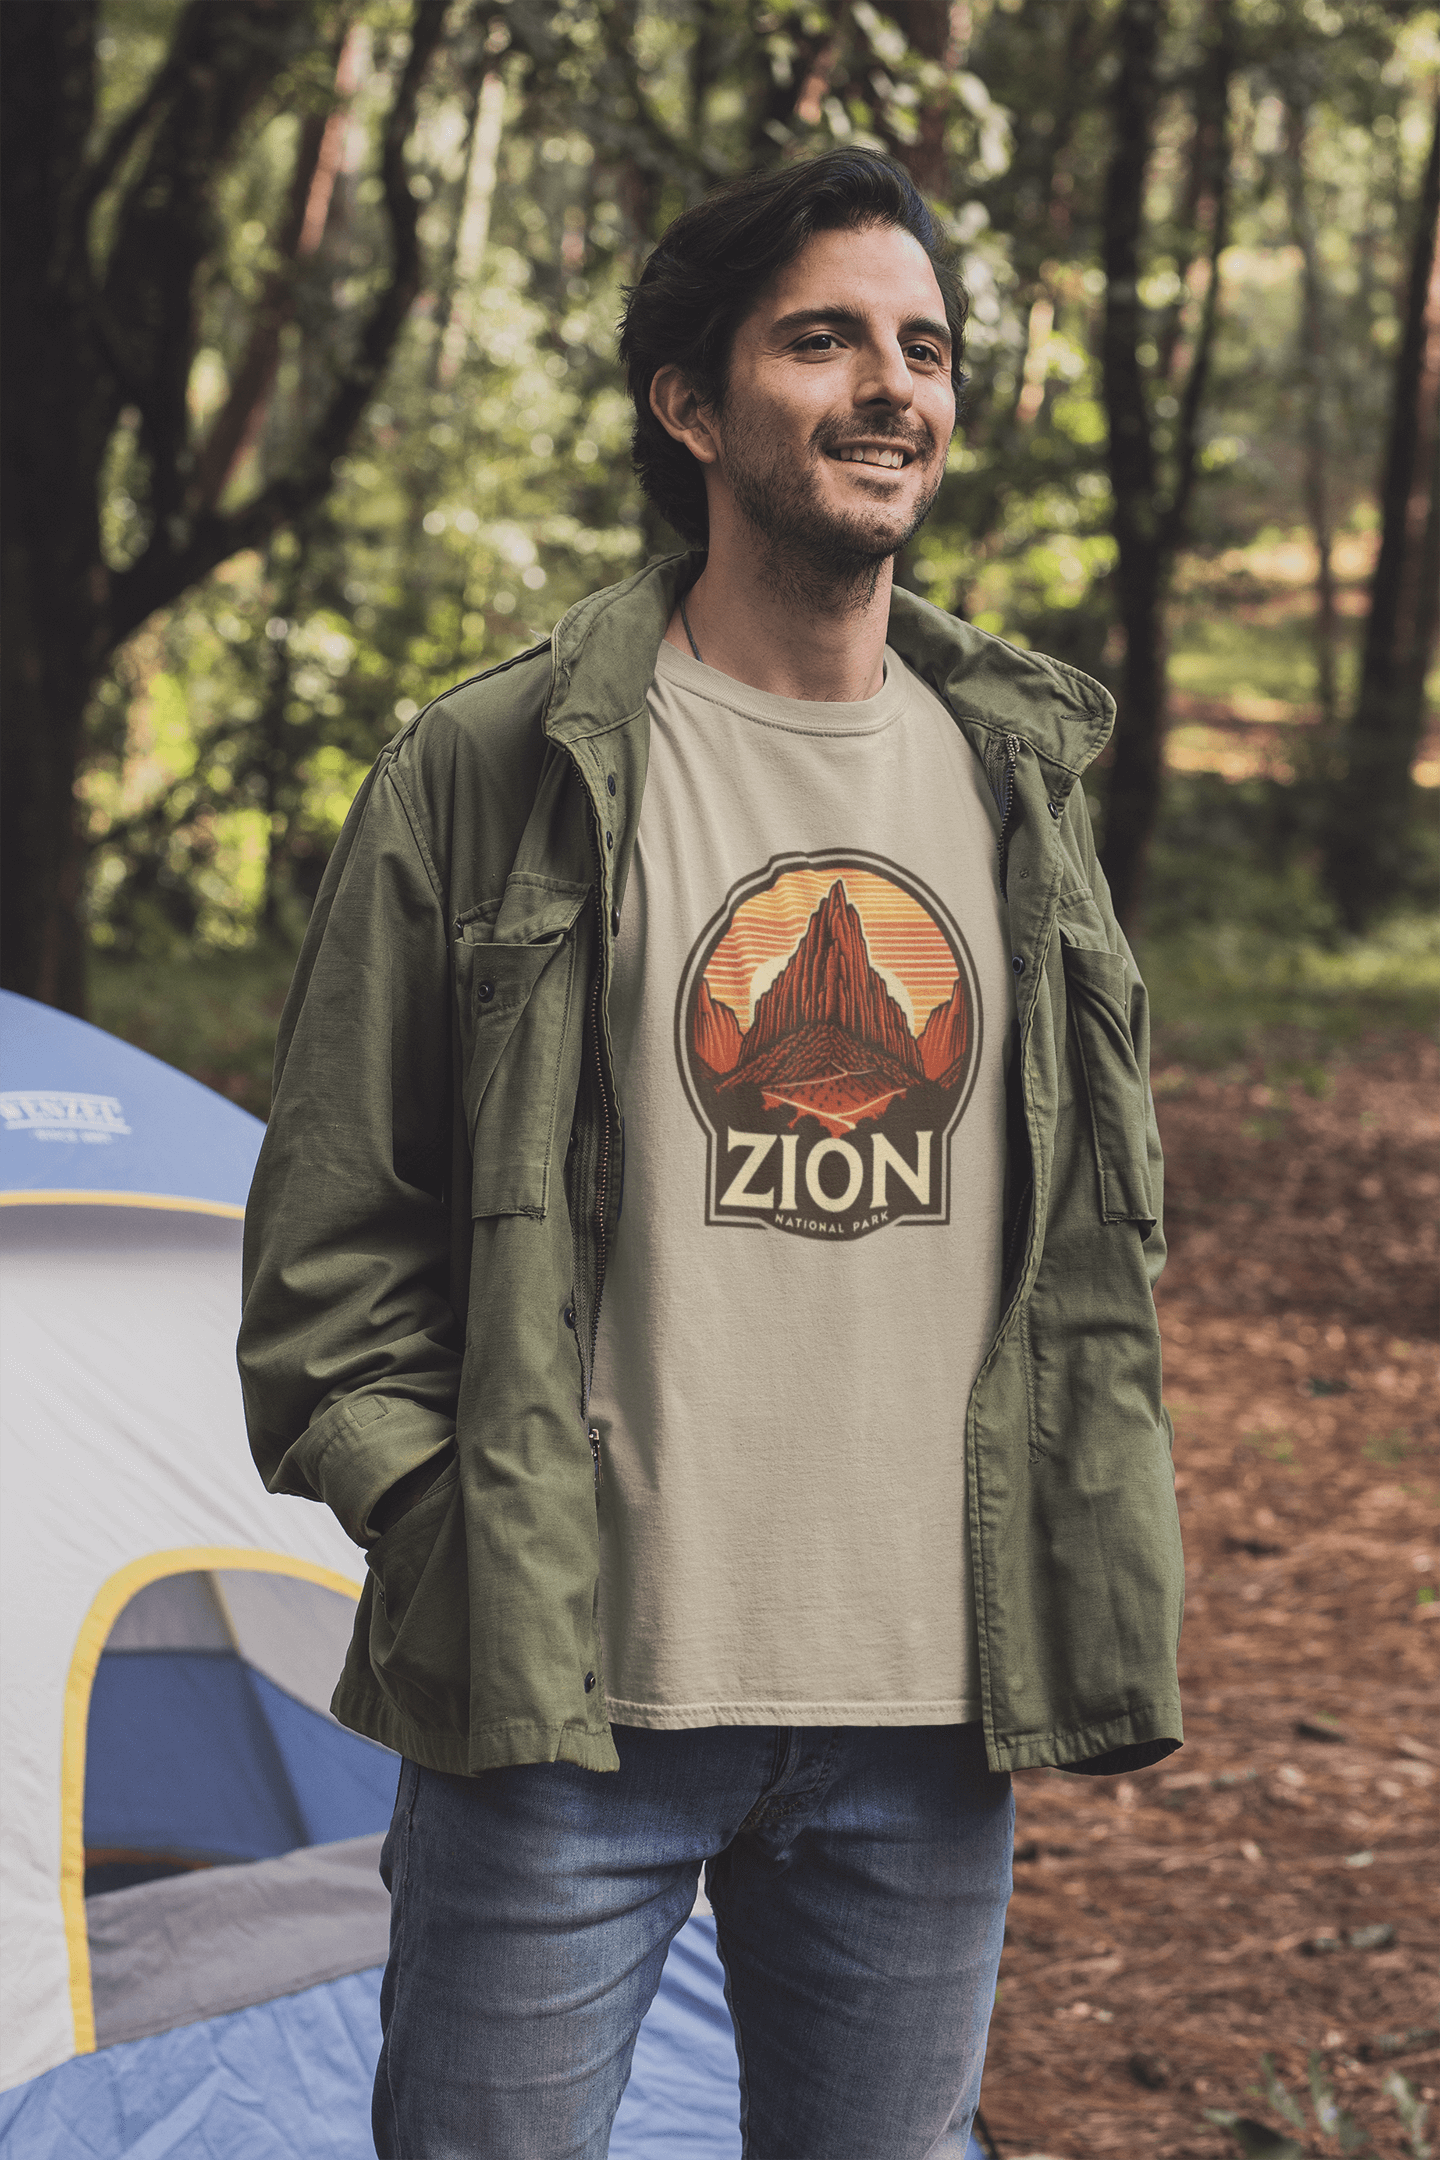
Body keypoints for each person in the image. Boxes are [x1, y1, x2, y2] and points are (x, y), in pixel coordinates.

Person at [238, 147, 1183, 2160]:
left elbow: (1086, 1240)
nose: (891, 388)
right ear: (690, 402)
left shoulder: (1021, 781)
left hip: (931, 1716)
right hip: (570, 1704)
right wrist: (450, 1520)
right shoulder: (490, 770)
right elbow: (329, 1246)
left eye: (922, 347)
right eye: (823, 336)